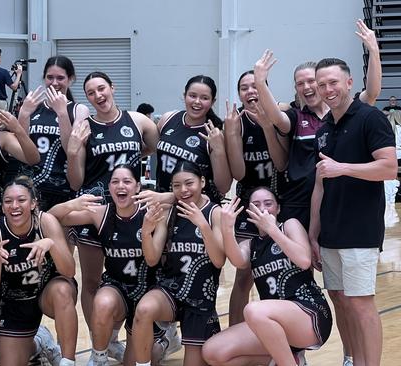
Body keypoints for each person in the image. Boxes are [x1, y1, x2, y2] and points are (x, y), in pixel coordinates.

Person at [253, 18, 381, 232]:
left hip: (338, 200)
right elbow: (276, 117)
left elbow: (373, 93)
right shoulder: (295, 117)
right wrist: (260, 82)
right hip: (299, 202)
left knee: (333, 261)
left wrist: (374, 53)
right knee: (301, 263)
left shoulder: (348, 113)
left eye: (312, 81)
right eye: (300, 83)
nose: (307, 87)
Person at [66, 71, 159, 361]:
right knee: (93, 282)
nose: (98, 96)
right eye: (91, 92)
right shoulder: (85, 128)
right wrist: (71, 152)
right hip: (96, 211)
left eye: (102, 88)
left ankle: (127, 334)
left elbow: (155, 147)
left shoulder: (138, 121)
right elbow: (75, 180)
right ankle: (100, 345)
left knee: (131, 276)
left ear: (112, 87)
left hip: (131, 211)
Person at [310, 58, 396, 366]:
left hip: (360, 231)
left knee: (361, 305)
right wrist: (313, 234)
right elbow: (321, 185)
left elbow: (389, 167)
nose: (327, 89)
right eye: (322, 85)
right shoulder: (325, 128)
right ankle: (353, 360)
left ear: (349, 83)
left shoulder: (370, 118)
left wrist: (342, 168)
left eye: (333, 82)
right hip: (330, 232)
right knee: (341, 302)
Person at [49, 164, 164, 366]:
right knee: (101, 303)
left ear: (138, 187)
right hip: (117, 288)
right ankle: (98, 358)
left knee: (144, 358)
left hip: (148, 292)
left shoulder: (152, 213)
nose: (121, 186)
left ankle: (162, 342)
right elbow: (51, 217)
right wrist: (73, 203)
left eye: (127, 181)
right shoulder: (101, 213)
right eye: (115, 182)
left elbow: (153, 260)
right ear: (109, 188)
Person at [203, 188, 332, 366]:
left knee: (253, 310)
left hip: (309, 314)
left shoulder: (289, 225)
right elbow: (238, 261)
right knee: (213, 352)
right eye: (256, 205)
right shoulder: (251, 244)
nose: (262, 208)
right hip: (270, 324)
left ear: (278, 208)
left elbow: (304, 260)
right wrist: (226, 228)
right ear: (249, 211)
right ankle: (291, 358)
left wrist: (273, 230)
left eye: (268, 203)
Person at [132, 162, 225, 366]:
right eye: (176, 185)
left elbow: (218, 260)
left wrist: (202, 224)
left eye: (189, 183)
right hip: (171, 291)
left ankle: (168, 340)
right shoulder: (169, 211)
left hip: (200, 300)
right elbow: (152, 258)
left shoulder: (215, 213)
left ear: (202, 182)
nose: (183, 190)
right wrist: (147, 232)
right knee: (144, 309)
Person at [0, 176, 76, 366]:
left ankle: (67, 361)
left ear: (33, 203)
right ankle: (40, 341)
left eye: (21, 200)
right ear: (2, 206)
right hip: (15, 302)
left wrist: (51, 244)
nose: (14, 205)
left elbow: (70, 271)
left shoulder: (45, 221)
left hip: (46, 294)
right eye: (8, 201)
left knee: (62, 291)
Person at [224, 70, 287, 326]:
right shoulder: (236, 122)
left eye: (255, 86)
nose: (250, 92)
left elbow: (282, 164)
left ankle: (286, 335)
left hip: (279, 204)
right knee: (244, 276)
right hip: (248, 206)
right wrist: (230, 134)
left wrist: (268, 126)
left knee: (283, 271)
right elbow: (238, 173)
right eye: (244, 88)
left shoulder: (279, 113)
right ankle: (235, 334)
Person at [17, 56, 90, 210]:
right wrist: (23, 115)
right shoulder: (33, 107)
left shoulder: (79, 110)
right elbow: (22, 147)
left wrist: (62, 113)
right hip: (31, 187)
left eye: (60, 78)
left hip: (63, 188)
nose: (54, 83)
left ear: (70, 79)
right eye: (50, 77)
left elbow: (71, 149)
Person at [148, 75, 232, 205]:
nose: (197, 101)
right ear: (184, 95)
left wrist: (219, 150)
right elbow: (150, 147)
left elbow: (223, 187)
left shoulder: (214, 134)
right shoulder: (169, 118)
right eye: (192, 96)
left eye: (204, 98)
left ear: (212, 102)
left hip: (196, 208)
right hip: (163, 203)